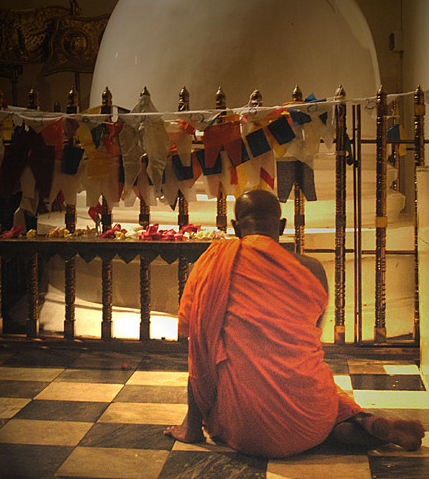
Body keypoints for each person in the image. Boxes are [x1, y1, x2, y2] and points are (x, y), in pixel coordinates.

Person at [165, 189, 425, 457]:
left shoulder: (213, 262)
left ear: (234, 227)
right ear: (281, 226)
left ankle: (354, 424)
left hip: (246, 428)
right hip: (311, 415)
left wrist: (192, 425)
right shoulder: (311, 269)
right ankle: (361, 421)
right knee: (328, 396)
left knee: (229, 367)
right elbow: (312, 335)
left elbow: (197, 348)